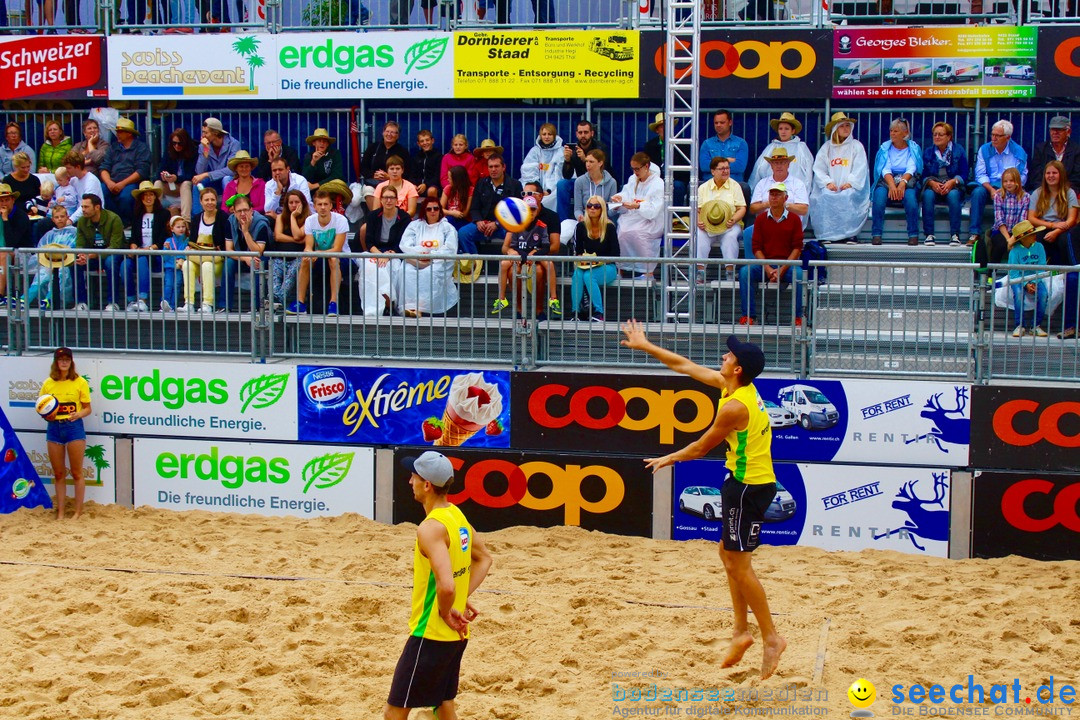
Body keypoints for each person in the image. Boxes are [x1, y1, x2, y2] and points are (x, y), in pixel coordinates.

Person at [618, 326, 786, 680]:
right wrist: (646, 345)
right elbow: (685, 366)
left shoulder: (735, 407)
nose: (724, 356)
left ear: (738, 369)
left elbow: (700, 448)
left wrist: (667, 459)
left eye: (730, 355)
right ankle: (741, 631)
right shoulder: (736, 387)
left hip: (748, 488)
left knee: (739, 565)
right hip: (741, 483)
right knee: (727, 555)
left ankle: (771, 637)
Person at [384, 450, 492, 720]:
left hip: (430, 634)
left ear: (427, 484)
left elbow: (446, 586)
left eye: (413, 476)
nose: (410, 482)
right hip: (457, 637)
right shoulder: (456, 515)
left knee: (394, 712)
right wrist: (459, 599)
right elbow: (484, 559)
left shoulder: (430, 528)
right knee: (443, 705)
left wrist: (446, 609)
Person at [739, 182, 804, 326]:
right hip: (764, 265)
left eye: (778, 194)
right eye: (772, 194)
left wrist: (783, 269)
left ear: (785, 198)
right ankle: (748, 316)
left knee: (799, 275)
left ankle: (798, 317)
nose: (774, 197)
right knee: (745, 272)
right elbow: (756, 248)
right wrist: (768, 268)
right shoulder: (761, 219)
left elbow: (797, 248)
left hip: (787, 264)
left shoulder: (794, 219)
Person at [41, 347, 92, 521]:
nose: (64, 362)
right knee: (58, 473)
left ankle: (78, 512)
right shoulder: (48, 383)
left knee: (77, 472)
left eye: (67, 359)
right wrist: (49, 415)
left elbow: (87, 408)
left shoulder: (79, 382)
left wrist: (78, 414)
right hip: (54, 427)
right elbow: (42, 408)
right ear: (56, 362)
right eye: (61, 359)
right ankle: (61, 513)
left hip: (73, 426)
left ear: (71, 362)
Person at [492, 189, 560, 319]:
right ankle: (503, 299)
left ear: (537, 210)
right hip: (520, 257)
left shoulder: (541, 225)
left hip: (535, 258)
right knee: (507, 265)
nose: (531, 212)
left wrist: (534, 254)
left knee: (547, 265)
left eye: (533, 209)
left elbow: (546, 247)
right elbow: (508, 247)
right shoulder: (515, 225)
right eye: (527, 209)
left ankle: (553, 299)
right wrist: (515, 253)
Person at [811, 112, 869, 245]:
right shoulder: (826, 147)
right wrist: (827, 183)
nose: (845, 129)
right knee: (825, 196)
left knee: (847, 196)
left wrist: (850, 183)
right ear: (835, 128)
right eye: (842, 126)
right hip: (831, 186)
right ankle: (826, 234)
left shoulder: (856, 146)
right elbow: (819, 168)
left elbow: (860, 167)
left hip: (849, 186)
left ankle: (850, 235)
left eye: (848, 125)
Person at [288, 189, 349, 316]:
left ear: (331, 206)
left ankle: (334, 303)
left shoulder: (341, 220)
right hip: (320, 257)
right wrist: (309, 253)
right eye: (319, 204)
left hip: (343, 257)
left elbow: (337, 249)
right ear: (314, 206)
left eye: (326, 204)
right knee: (305, 259)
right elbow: (308, 246)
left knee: (333, 258)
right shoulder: (310, 220)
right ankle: (300, 302)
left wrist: (317, 253)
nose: (323, 207)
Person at [969, 119, 1028, 247]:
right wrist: (991, 189)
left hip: (1010, 186)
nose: (993, 138)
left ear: (1008, 137)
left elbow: (1022, 176)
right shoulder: (984, 149)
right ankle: (974, 233)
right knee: (977, 193)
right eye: (992, 134)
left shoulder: (1018, 152)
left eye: (998, 136)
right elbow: (980, 174)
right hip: (989, 185)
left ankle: (1016, 233)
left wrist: (1006, 189)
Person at [398, 198, 459, 318]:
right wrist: (421, 256)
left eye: (436, 208)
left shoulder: (447, 227)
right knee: (407, 271)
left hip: (439, 261)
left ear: (440, 210)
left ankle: (419, 308)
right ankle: (410, 307)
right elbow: (405, 244)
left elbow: (450, 248)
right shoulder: (414, 225)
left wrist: (431, 257)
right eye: (429, 209)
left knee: (429, 274)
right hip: (416, 259)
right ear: (424, 211)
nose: (433, 211)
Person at [358, 185, 411, 317]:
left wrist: (389, 255)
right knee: (370, 268)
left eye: (392, 198)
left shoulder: (404, 218)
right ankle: (373, 309)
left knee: (390, 268)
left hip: (395, 252)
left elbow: (402, 242)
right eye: (386, 197)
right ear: (381, 200)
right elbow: (369, 241)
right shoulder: (373, 216)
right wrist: (380, 255)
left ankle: (389, 304)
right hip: (376, 251)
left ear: (396, 200)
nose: (388, 201)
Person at [610, 152, 665, 278]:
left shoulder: (658, 183)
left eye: (637, 169)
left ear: (646, 166)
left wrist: (638, 206)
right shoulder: (632, 179)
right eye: (633, 169)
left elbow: (654, 208)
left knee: (638, 233)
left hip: (650, 219)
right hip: (632, 216)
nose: (635, 172)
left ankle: (648, 272)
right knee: (622, 232)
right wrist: (619, 197)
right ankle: (621, 270)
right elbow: (627, 193)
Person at [870, 118, 922, 246]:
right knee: (879, 197)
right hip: (887, 179)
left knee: (910, 199)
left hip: (907, 180)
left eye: (896, 131)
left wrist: (902, 183)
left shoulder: (913, 148)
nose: (892, 134)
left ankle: (913, 235)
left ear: (905, 133)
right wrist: (892, 185)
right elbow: (884, 168)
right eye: (891, 131)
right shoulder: (885, 148)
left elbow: (912, 167)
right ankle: (876, 234)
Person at [458, 154, 523, 255]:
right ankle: (476, 265)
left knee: (517, 235)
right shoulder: (481, 183)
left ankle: (509, 266)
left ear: (503, 167)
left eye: (496, 166)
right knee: (463, 233)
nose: (493, 169)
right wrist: (478, 221)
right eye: (490, 167)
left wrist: (497, 224)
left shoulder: (515, 185)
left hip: (505, 226)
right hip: (483, 225)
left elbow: (518, 212)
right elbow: (474, 208)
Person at [696, 157, 747, 282]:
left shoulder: (735, 186)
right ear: (713, 171)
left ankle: (730, 272)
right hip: (708, 224)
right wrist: (699, 221)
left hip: (731, 224)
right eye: (722, 168)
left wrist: (734, 219)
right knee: (699, 235)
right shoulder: (703, 187)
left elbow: (742, 208)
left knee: (730, 237)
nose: (726, 171)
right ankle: (700, 272)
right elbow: (697, 210)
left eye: (727, 168)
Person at [571, 194, 620, 322]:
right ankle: (576, 312)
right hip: (586, 265)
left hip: (608, 266)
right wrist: (583, 258)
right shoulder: (580, 227)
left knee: (589, 276)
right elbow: (577, 252)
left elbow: (615, 254)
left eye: (596, 206)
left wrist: (597, 260)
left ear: (602, 209)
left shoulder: (609, 227)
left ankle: (599, 312)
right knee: (577, 274)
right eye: (589, 206)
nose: (592, 208)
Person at [73, 193, 125, 312]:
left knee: (110, 262)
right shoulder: (82, 221)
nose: (83, 210)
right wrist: (81, 256)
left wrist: (92, 255)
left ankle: (113, 302)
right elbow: (79, 244)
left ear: (97, 207)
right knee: (75, 264)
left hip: (113, 255)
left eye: (86, 207)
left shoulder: (114, 219)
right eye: (82, 207)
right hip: (92, 257)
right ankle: (81, 302)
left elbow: (115, 246)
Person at [183, 186, 231, 314]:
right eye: (206, 200)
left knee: (207, 265)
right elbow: (192, 241)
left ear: (216, 201)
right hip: (199, 255)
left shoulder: (222, 217)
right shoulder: (197, 218)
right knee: (187, 264)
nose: (210, 202)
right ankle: (189, 303)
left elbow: (224, 243)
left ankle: (207, 303)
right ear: (201, 202)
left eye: (212, 199)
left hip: (216, 259)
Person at [920, 122, 968, 247]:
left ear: (949, 137)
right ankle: (929, 235)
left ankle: (955, 235)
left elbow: (965, 174)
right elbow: (923, 174)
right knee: (927, 195)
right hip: (934, 185)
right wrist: (931, 182)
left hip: (953, 186)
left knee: (953, 196)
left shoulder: (959, 151)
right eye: (935, 134)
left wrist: (952, 182)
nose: (937, 137)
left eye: (940, 135)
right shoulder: (928, 152)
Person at [126, 181, 170, 312]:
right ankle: (131, 300)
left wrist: (148, 249)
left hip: (156, 255)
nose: (148, 197)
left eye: (151, 194)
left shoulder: (164, 214)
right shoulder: (136, 215)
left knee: (141, 258)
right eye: (145, 195)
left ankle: (143, 300)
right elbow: (133, 237)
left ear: (156, 197)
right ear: (141, 198)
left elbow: (163, 238)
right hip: (140, 253)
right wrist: (134, 248)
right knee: (125, 265)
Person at [222, 193, 270, 312]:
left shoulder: (261, 223)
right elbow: (229, 250)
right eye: (239, 211)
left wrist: (246, 232)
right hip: (242, 257)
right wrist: (245, 258)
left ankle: (256, 308)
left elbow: (258, 251)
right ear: (234, 212)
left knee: (258, 263)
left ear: (251, 210)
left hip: (261, 256)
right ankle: (224, 306)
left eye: (245, 210)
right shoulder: (230, 221)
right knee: (228, 263)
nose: (242, 214)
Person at [99, 117, 151, 225]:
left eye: (120, 132)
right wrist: (109, 182)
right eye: (117, 131)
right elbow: (104, 167)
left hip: (131, 182)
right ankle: (111, 222)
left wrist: (122, 184)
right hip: (112, 181)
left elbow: (141, 171)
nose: (117, 134)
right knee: (101, 192)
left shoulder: (141, 148)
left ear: (129, 134)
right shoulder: (113, 148)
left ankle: (126, 223)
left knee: (126, 197)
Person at [1026, 160, 1079, 266]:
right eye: (1048, 173)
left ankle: (1066, 272)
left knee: (1064, 239)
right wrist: (1051, 225)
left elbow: (1072, 219)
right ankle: (1039, 273)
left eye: (1054, 173)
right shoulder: (1037, 193)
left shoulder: (1070, 193)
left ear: (1061, 175)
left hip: (1063, 227)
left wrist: (1056, 231)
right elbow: (1031, 218)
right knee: (1038, 238)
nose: (1051, 176)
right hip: (1043, 226)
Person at [975, 167, 1029, 270]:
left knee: (1021, 246)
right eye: (1005, 181)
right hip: (1001, 230)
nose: (1008, 183)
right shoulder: (998, 196)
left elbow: (1023, 220)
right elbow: (999, 220)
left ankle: (1020, 276)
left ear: (1017, 181)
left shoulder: (1025, 197)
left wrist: (1013, 238)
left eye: (1011, 181)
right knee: (1000, 245)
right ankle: (991, 274)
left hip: (1018, 232)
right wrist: (1008, 239)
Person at [1004, 220, 1049, 338]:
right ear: (1023, 238)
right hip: (1019, 278)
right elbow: (1013, 272)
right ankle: (1020, 325)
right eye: (1031, 235)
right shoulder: (1015, 251)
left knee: (1044, 294)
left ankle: (1036, 326)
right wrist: (1025, 284)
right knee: (1019, 293)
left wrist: (1033, 282)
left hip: (1037, 278)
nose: (1035, 236)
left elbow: (1042, 266)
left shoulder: (1039, 247)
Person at [561, 148, 617, 243]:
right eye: (586, 161)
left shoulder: (612, 182)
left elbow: (611, 212)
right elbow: (577, 208)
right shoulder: (580, 181)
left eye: (591, 161)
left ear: (600, 163)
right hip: (585, 219)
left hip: (603, 220)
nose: (588, 164)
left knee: (610, 228)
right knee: (565, 228)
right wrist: (580, 217)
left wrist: (615, 208)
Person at [27, 204, 77, 310]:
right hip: (49, 263)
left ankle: (50, 298)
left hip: (66, 264)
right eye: (57, 217)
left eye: (62, 216)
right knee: (42, 274)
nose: (60, 219)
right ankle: (25, 299)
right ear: (53, 219)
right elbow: (40, 251)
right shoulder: (49, 234)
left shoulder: (74, 232)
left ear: (67, 217)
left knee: (61, 273)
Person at [749, 112, 814, 192]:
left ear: (793, 131)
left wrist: (806, 191)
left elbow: (808, 173)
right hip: (772, 188)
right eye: (781, 129)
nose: (783, 132)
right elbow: (759, 168)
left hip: (795, 189)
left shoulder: (801, 147)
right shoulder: (771, 147)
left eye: (786, 129)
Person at [557, 120, 606, 222]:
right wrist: (567, 161)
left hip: (599, 182)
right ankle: (563, 222)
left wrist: (585, 160)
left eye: (586, 132)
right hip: (581, 182)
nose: (583, 135)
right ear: (576, 134)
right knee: (562, 184)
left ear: (592, 133)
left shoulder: (600, 148)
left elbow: (602, 171)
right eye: (580, 133)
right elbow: (567, 176)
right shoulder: (574, 149)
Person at [271, 190, 310, 311]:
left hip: (298, 258)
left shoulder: (308, 218)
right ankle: (277, 301)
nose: (293, 205)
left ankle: (276, 301)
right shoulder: (280, 217)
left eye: (297, 202)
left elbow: (299, 235)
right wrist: (296, 240)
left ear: (303, 203)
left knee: (289, 279)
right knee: (274, 282)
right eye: (291, 202)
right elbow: (278, 236)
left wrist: (293, 217)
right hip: (280, 258)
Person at [699, 109, 751, 201]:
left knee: (745, 188)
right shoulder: (707, 143)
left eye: (722, 122)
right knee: (694, 186)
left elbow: (740, 167)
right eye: (716, 123)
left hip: (734, 183)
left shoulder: (741, 143)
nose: (718, 125)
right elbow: (704, 166)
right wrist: (728, 160)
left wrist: (715, 163)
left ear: (730, 122)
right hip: (710, 183)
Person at [642, 112, 688, 206]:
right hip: (655, 179)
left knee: (677, 186)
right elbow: (645, 167)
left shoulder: (683, 143)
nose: (666, 128)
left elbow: (686, 169)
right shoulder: (650, 146)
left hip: (676, 179)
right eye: (662, 126)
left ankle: (675, 218)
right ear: (657, 130)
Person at [1026, 115, 1080, 193]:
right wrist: (1047, 192)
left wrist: (1062, 192)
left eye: (1059, 130)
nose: (1055, 133)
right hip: (1044, 192)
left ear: (1068, 132)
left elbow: (1077, 178)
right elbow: (1036, 176)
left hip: (1068, 192)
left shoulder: (1077, 150)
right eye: (1052, 129)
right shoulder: (1041, 149)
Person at [519, 122, 564, 213]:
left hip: (553, 190)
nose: (546, 137)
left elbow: (558, 174)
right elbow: (528, 171)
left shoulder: (560, 151)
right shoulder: (535, 151)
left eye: (549, 134)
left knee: (556, 195)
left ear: (554, 136)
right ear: (540, 135)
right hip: (537, 188)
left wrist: (548, 190)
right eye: (544, 134)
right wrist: (537, 189)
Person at [156, 129, 196, 222]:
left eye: (180, 143)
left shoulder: (193, 152)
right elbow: (160, 169)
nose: (177, 146)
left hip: (186, 187)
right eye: (174, 143)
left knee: (186, 183)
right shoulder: (169, 151)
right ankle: (155, 217)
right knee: (158, 183)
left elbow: (192, 175)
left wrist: (176, 178)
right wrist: (163, 176)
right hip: (171, 186)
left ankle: (186, 220)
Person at [192, 117, 240, 194]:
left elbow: (231, 170)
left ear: (216, 133)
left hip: (230, 178)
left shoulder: (234, 144)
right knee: (198, 183)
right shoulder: (203, 145)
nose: (203, 136)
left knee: (226, 179)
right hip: (213, 180)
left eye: (206, 133)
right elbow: (200, 172)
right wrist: (206, 151)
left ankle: (230, 206)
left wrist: (207, 174)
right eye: (202, 132)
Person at [362, 121, 411, 188]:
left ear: (398, 136)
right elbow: (363, 167)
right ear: (383, 132)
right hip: (373, 183)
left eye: (393, 132)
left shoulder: (403, 152)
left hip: (394, 184)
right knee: (368, 190)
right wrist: (373, 175)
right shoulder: (373, 147)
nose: (389, 134)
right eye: (387, 131)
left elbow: (408, 172)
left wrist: (390, 176)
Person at [264, 157, 312, 221]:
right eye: (274, 170)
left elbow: (306, 205)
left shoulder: (300, 180)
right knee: (267, 218)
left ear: (287, 169)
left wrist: (279, 218)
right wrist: (277, 192)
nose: (277, 172)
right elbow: (267, 210)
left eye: (280, 169)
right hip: (278, 217)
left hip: (298, 216)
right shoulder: (269, 185)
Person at [62, 151, 103, 224]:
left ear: (78, 167)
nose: (66, 171)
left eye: (69, 168)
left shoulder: (91, 181)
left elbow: (87, 206)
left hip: (90, 218)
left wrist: (70, 220)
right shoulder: (73, 180)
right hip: (76, 217)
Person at [160, 215, 189, 312]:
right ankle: (164, 303)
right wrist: (167, 249)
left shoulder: (187, 240)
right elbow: (165, 258)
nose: (181, 229)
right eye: (178, 227)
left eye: (183, 227)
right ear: (172, 229)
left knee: (177, 285)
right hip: (169, 268)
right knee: (168, 285)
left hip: (180, 268)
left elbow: (187, 254)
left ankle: (172, 306)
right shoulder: (168, 241)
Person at [301, 128, 344, 193]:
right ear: (314, 143)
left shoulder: (335, 154)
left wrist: (316, 185)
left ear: (328, 144)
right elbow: (305, 178)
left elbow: (337, 175)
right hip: (314, 191)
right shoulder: (309, 156)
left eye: (324, 141)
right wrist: (313, 162)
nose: (322, 143)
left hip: (332, 188)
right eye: (319, 141)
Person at [410, 129, 441, 200]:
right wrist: (414, 185)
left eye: (427, 140)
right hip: (418, 187)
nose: (425, 143)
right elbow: (412, 175)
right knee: (410, 188)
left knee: (431, 190)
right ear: (418, 143)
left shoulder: (439, 157)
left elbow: (437, 177)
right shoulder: (416, 157)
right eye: (422, 141)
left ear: (432, 141)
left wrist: (426, 185)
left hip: (433, 186)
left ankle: (432, 209)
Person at [440, 165, 473, 230]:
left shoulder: (470, 190)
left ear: (457, 180)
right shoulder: (448, 188)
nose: (447, 180)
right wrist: (452, 213)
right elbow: (440, 209)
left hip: (463, 220)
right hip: (449, 218)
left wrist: (455, 214)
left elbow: (465, 214)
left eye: (449, 178)